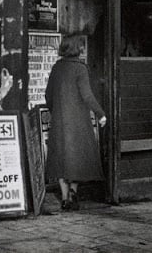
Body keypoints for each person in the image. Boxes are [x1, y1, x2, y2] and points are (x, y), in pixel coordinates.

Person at [45, 35, 107, 211]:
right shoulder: (81, 69)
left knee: (61, 159)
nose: (83, 48)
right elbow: (87, 96)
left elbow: (48, 95)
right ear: (76, 48)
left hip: (59, 120)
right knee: (77, 157)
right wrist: (100, 114)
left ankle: (65, 198)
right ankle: (73, 192)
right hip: (78, 121)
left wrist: (56, 112)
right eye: (81, 46)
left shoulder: (56, 68)